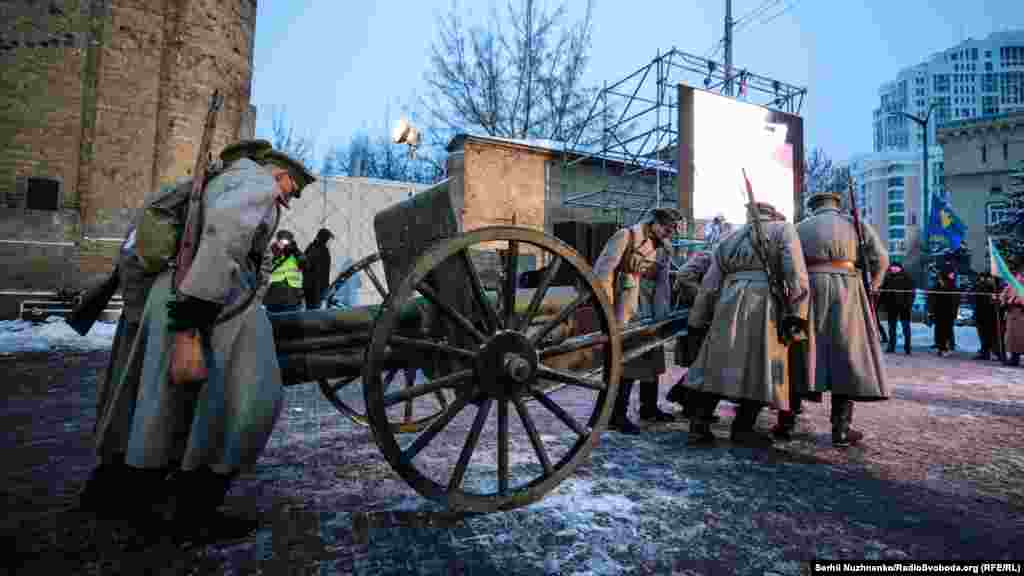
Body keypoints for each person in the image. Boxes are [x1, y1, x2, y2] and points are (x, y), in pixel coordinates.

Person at [78, 140, 315, 538]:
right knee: (251, 402)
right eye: (292, 188)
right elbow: (225, 234)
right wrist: (196, 310)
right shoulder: (256, 184)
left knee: (158, 401)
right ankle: (193, 510)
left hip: (177, 293)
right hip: (208, 300)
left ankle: (120, 491)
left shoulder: (220, 179)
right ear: (281, 174)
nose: (288, 198)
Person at [683, 201, 810, 448]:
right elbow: (795, 273)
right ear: (771, 215)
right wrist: (798, 312)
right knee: (761, 366)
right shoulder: (783, 230)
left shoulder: (730, 238)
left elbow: (709, 285)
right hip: (765, 306)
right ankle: (743, 428)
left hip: (728, 303)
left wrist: (698, 319)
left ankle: (698, 425)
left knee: (717, 363)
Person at [775, 192, 889, 447]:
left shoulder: (799, 228)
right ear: (837, 205)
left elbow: (788, 264)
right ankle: (841, 428)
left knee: (799, 355)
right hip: (848, 290)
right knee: (846, 356)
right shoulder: (855, 224)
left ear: (813, 207)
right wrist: (875, 285)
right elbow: (882, 259)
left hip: (808, 291)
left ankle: (786, 421)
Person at [593, 208, 682, 434]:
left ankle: (649, 407)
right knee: (628, 361)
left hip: (650, 305)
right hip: (626, 301)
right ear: (653, 222)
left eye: (672, 230)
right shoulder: (627, 236)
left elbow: (663, 283)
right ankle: (617, 414)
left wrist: (662, 316)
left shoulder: (664, 248)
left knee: (652, 356)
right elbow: (603, 272)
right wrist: (608, 310)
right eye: (666, 228)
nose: (668, 233)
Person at [264, 230, 306, 313]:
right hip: (274, 293)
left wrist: (295, 251)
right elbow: (266, 266)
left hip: (292, 295)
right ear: (277, 240)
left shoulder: (295, 252)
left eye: (286, 241)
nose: (283, 244)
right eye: (281, 241)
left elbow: (305, 264)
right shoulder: (271, 251)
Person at [880, 262, 914, 355]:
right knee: (891, 328)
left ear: (900, 268)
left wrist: (908, 304)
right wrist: (883, 304)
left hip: (904, 307)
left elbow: (911, 293)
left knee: (906, 327)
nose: (894, 269)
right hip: (891, 306)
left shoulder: (906, 277)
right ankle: (891, 346)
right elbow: (883, 292)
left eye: (896, 267)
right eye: (892, 267)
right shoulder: (887, 277)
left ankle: (907, 347)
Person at [929, 267, 959, 357]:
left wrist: (955, 312)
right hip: (940, 311)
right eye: (951, 273)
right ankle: (942, 348)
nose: (953, 275)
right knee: (941, 330)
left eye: (953, 273)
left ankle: (947, 346)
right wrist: (931, 311)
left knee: (947, 330)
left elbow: (955, 299)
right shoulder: (939, 284)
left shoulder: (952, 284)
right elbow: (933, 298)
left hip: (949, 312)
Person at [973, 271, 1002, 361]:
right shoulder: (981, 287)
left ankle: (996, 352)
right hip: (981, 314)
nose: (985, 280)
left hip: (992, 315)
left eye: (987, 278)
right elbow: (977, 298)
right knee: (984, 335)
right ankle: (985, 351)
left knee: (993, 335)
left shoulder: (996, 288)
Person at [302, 228, 334, 310]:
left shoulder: (311, 248)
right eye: (329, 240)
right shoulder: (321, 250)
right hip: (316, 289)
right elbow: (320, 272)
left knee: (311, 309)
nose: (330, 243)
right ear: (325, 238)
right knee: (314, 311)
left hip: (310, 288)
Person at [999, 263, 1024, 367]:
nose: (1020, 278)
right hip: (1012, 313)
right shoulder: (1011, 286)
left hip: (1022, 314)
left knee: (1021, 337)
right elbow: (1003, 297)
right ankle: (1014, 358)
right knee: (1011, 338)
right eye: (1019, 275)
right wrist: (1002, 301)